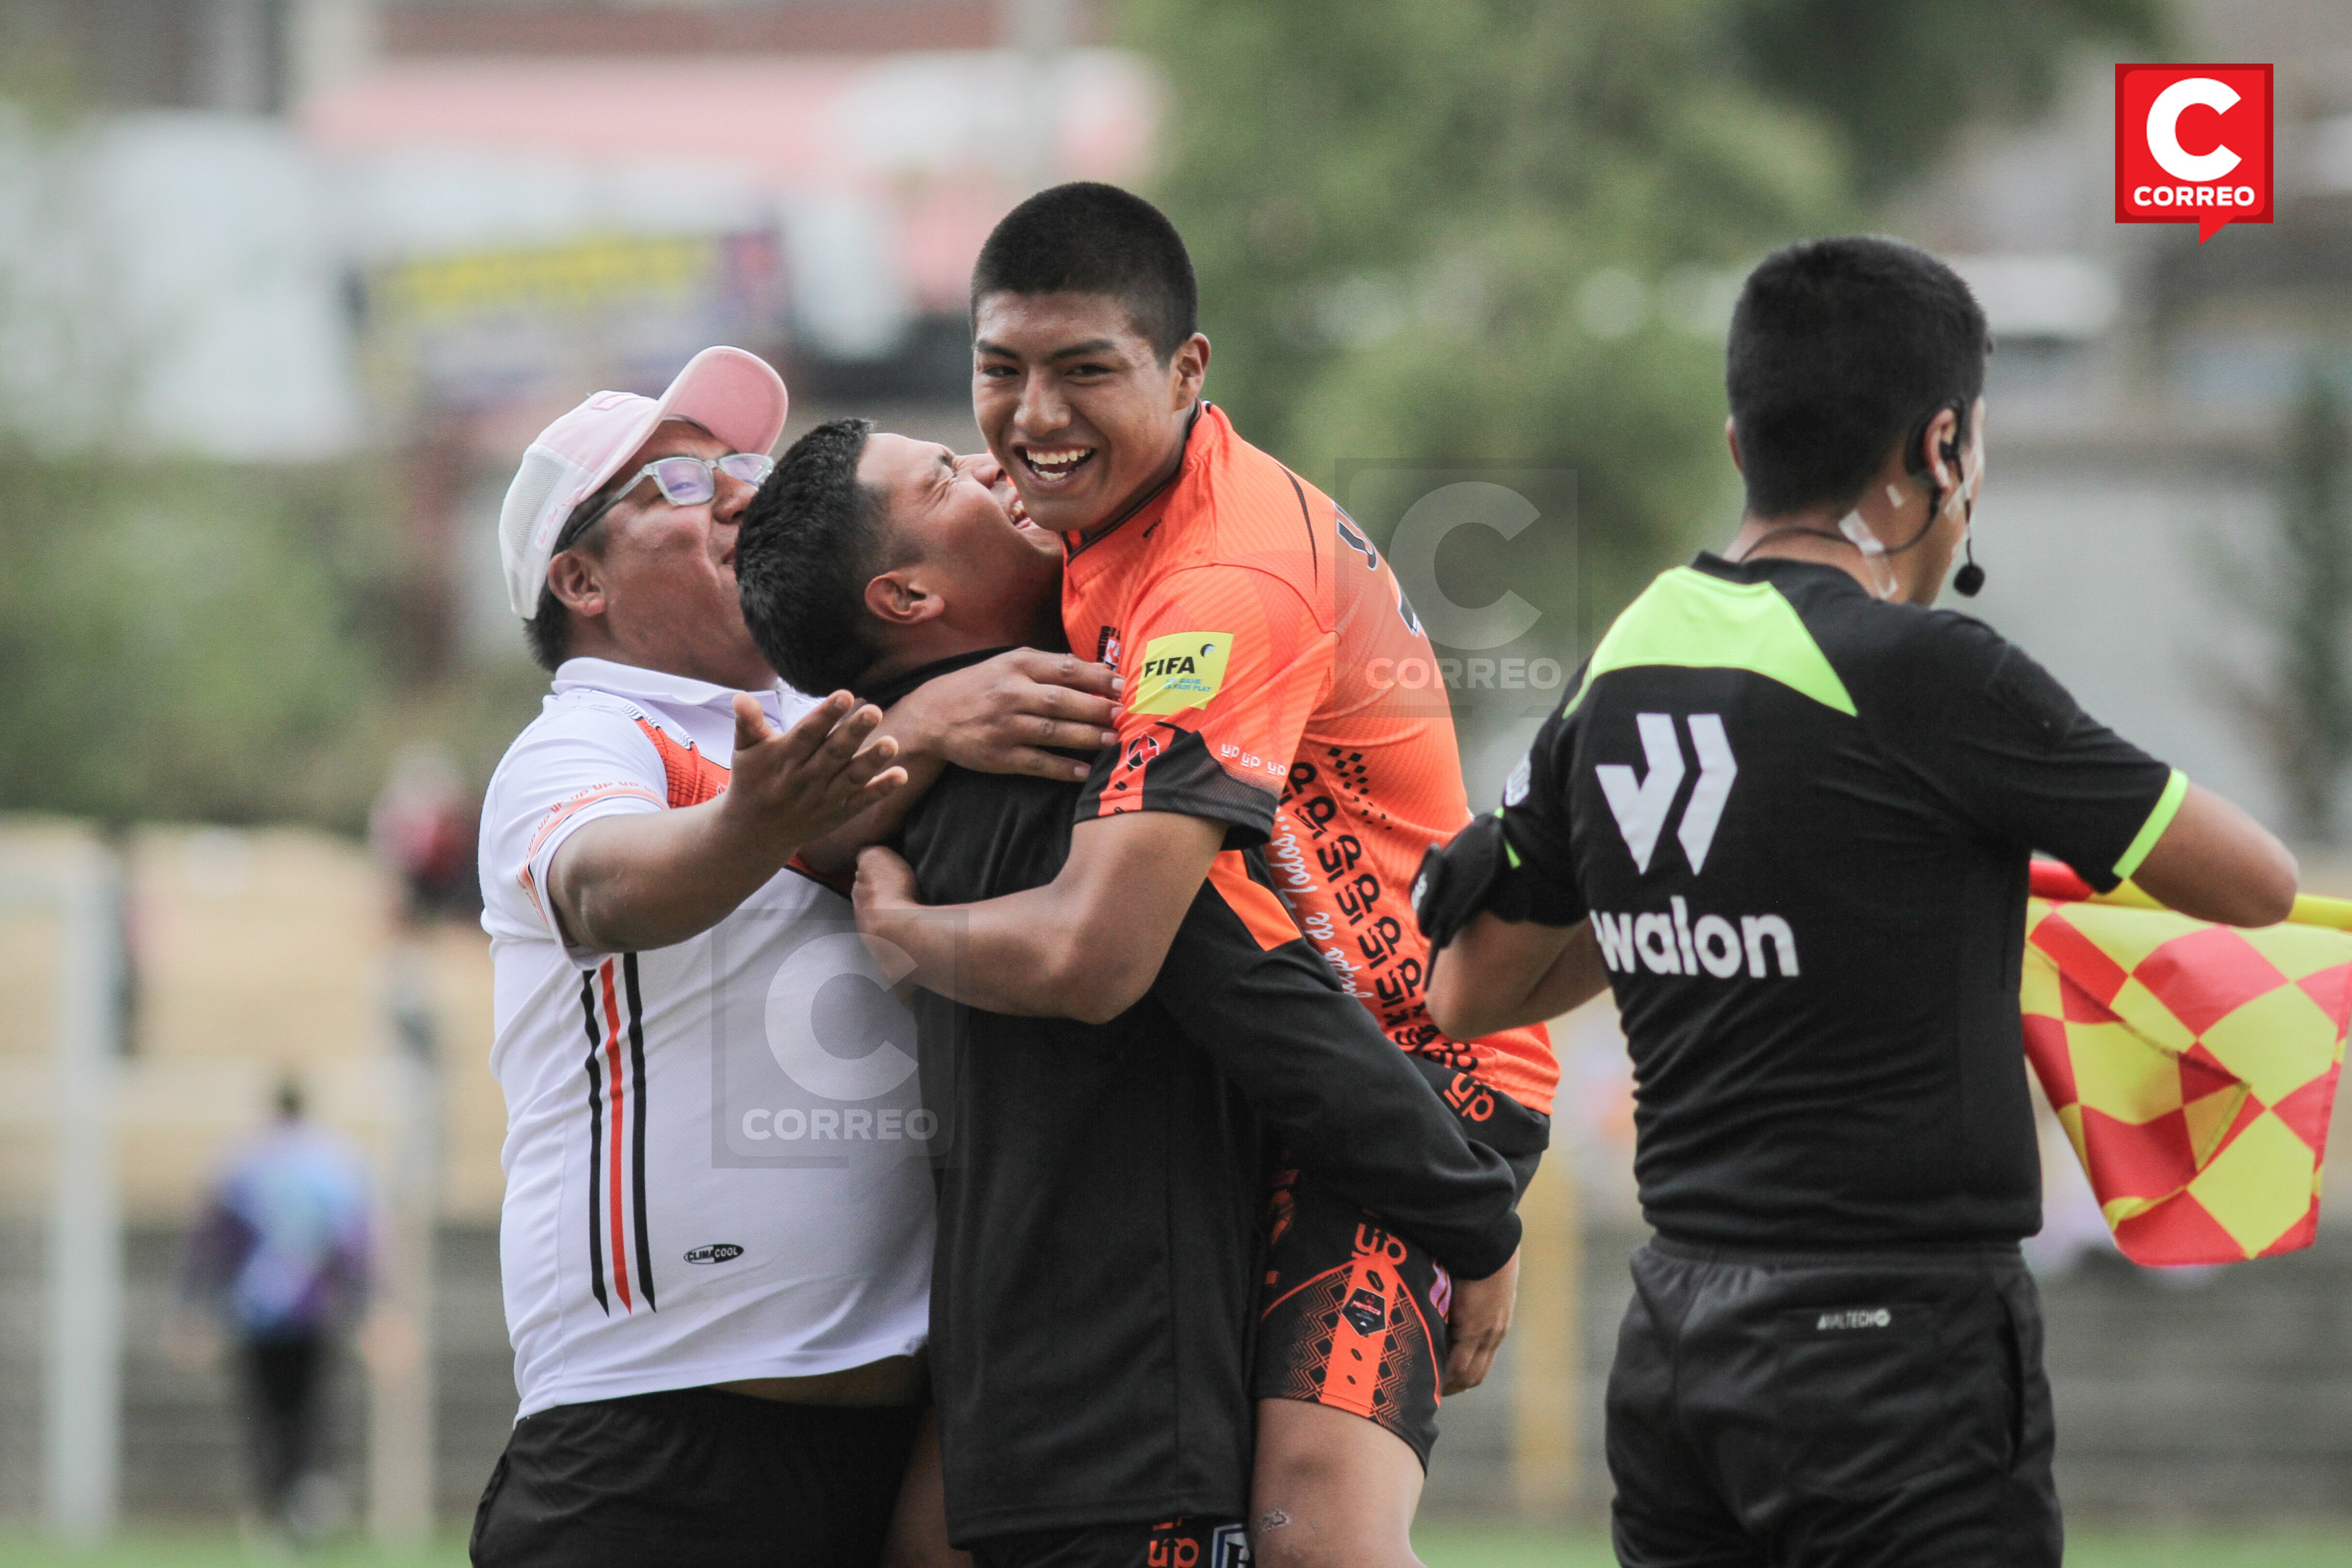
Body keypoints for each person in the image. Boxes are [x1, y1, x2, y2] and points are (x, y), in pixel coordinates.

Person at [1414, 235, 2299, 1568]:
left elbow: (1467, 988)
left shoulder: (1625, 660)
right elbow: (2256, 880)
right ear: (1939, 448)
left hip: (1676, 1343)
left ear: (1739, 440)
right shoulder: (1929, 672)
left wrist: (1713, 882)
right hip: (1896, 1353)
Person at [847, 183, 1555, 1568]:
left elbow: (1099, 952)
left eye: (1083, 370)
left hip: (1413, 1081)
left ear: (1185, 371)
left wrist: (903, 929)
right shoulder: (1075, 515)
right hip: (1257, 1068)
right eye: (1001, 370)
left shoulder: (1219, 580)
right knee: (944, 1528)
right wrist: (918, 724)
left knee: (1313, 1531)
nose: (1031, 418)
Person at [471, 346, 1121, 1568]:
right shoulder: (581, 741)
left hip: (912, 1440)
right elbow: (609, 886)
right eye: (677, 485)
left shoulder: (849, 707)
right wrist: (779, 808)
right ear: (580, 578)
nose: (736, 494)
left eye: (744, 469)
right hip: (660, 1436)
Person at [175, 1078, 370, 1541]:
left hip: (256, 1311)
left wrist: (191, 1306)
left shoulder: (242, 1161)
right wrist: (367, 1307)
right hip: (311, 1310)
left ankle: (271, 1510)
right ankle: (302, 1502)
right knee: (308, 1412)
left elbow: (210, 1237)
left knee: (263, 1414)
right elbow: (353, 1244)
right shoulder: (332, 1163)